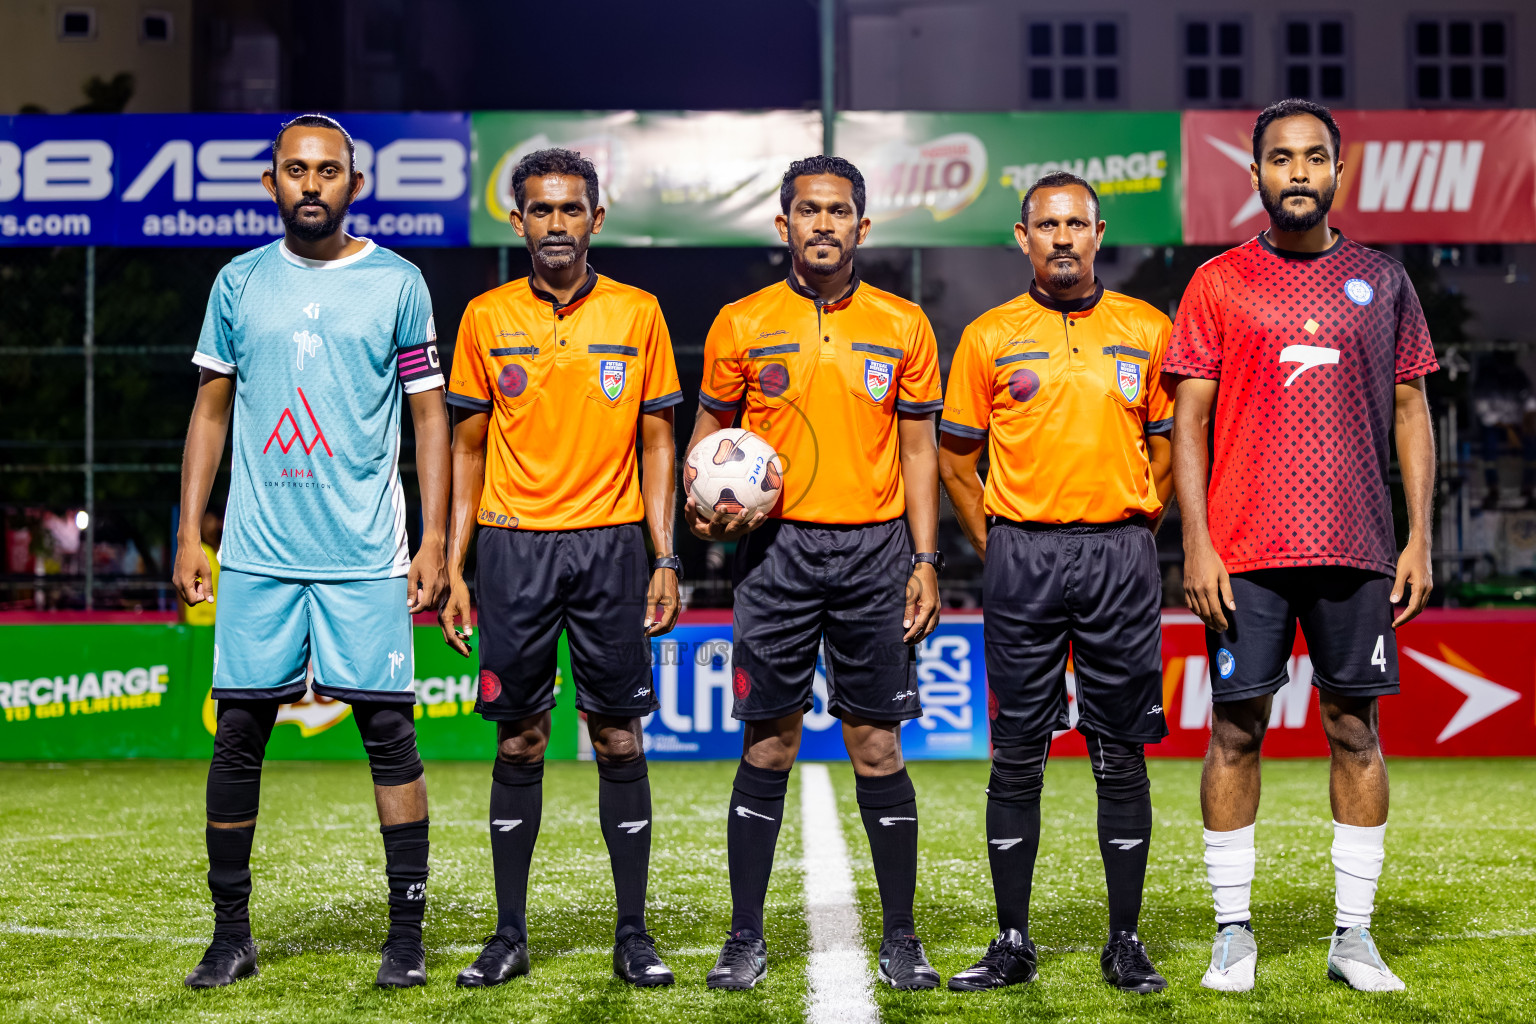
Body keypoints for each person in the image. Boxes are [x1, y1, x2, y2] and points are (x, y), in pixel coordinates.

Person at [172, 114, 450, 989]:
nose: (311, 184)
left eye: (328, 170)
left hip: (366, 554)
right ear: (272, 183)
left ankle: (405, 939)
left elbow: (430, 417)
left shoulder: (398, 282)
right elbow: (210, 410)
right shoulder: (239, 281)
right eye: (296, 169)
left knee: (390, 737)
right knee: (238, 738)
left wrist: (435, 538)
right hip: (258, 553)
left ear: (354, 184)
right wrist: (189, 530)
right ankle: (231, 937)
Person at [1167, 99, 1437, 994]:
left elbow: (1411, 411)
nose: (1297, 172)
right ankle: (1232, 933)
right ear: (1254, 174)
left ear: (1338, 171)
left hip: (1357, 547)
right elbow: (1188, 422)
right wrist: (1197, 543)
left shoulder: (1384, 281)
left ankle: (1353, 937)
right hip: (1244, 550)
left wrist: (1419, 537)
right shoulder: (1218, 281)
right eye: (1280, 158)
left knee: (1356, 731)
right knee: (1235, 730)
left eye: (1314, 157)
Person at [687, 155, 944, 991]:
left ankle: (901, 937)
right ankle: (744, 937)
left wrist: (926, 558)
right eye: (808, 210)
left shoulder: (904, 323)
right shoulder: (741, 322)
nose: (823, 224)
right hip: (777, 554)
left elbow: (919, 451)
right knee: (769, 742)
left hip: (875, 552)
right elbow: (710, 435)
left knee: (878, 744)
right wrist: (700, 503)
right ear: (784, 224)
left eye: (838, 211)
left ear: (861, 226)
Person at [439, 148, 683, 988]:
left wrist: (664, 555)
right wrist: (455, 565)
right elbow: (466, 450)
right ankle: (508, 934)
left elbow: (659, 443)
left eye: (570, 209)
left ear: (595, 219)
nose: (555, 223)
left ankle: (633, 934)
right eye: (540, 210)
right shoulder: (485, 316)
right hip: (512, 546)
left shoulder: (639, 313)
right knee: (521, 737)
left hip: (611, 545)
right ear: (518, 221)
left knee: (617, 735)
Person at [938, 171, 1175, 994]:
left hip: (1120, 556)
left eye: (1077, 224)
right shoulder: (988, 336)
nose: (1063, 237)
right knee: (1016, 754)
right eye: (1048, 225)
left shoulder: (1147, 328)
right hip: (1023, 558)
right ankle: (1012, 941)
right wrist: (1000, 544)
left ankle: (1125, 941)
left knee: (1120, 752)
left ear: (1099, 234)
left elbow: (1167, 452)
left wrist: (1133, 532)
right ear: (1023, 237)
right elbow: (957, 462)